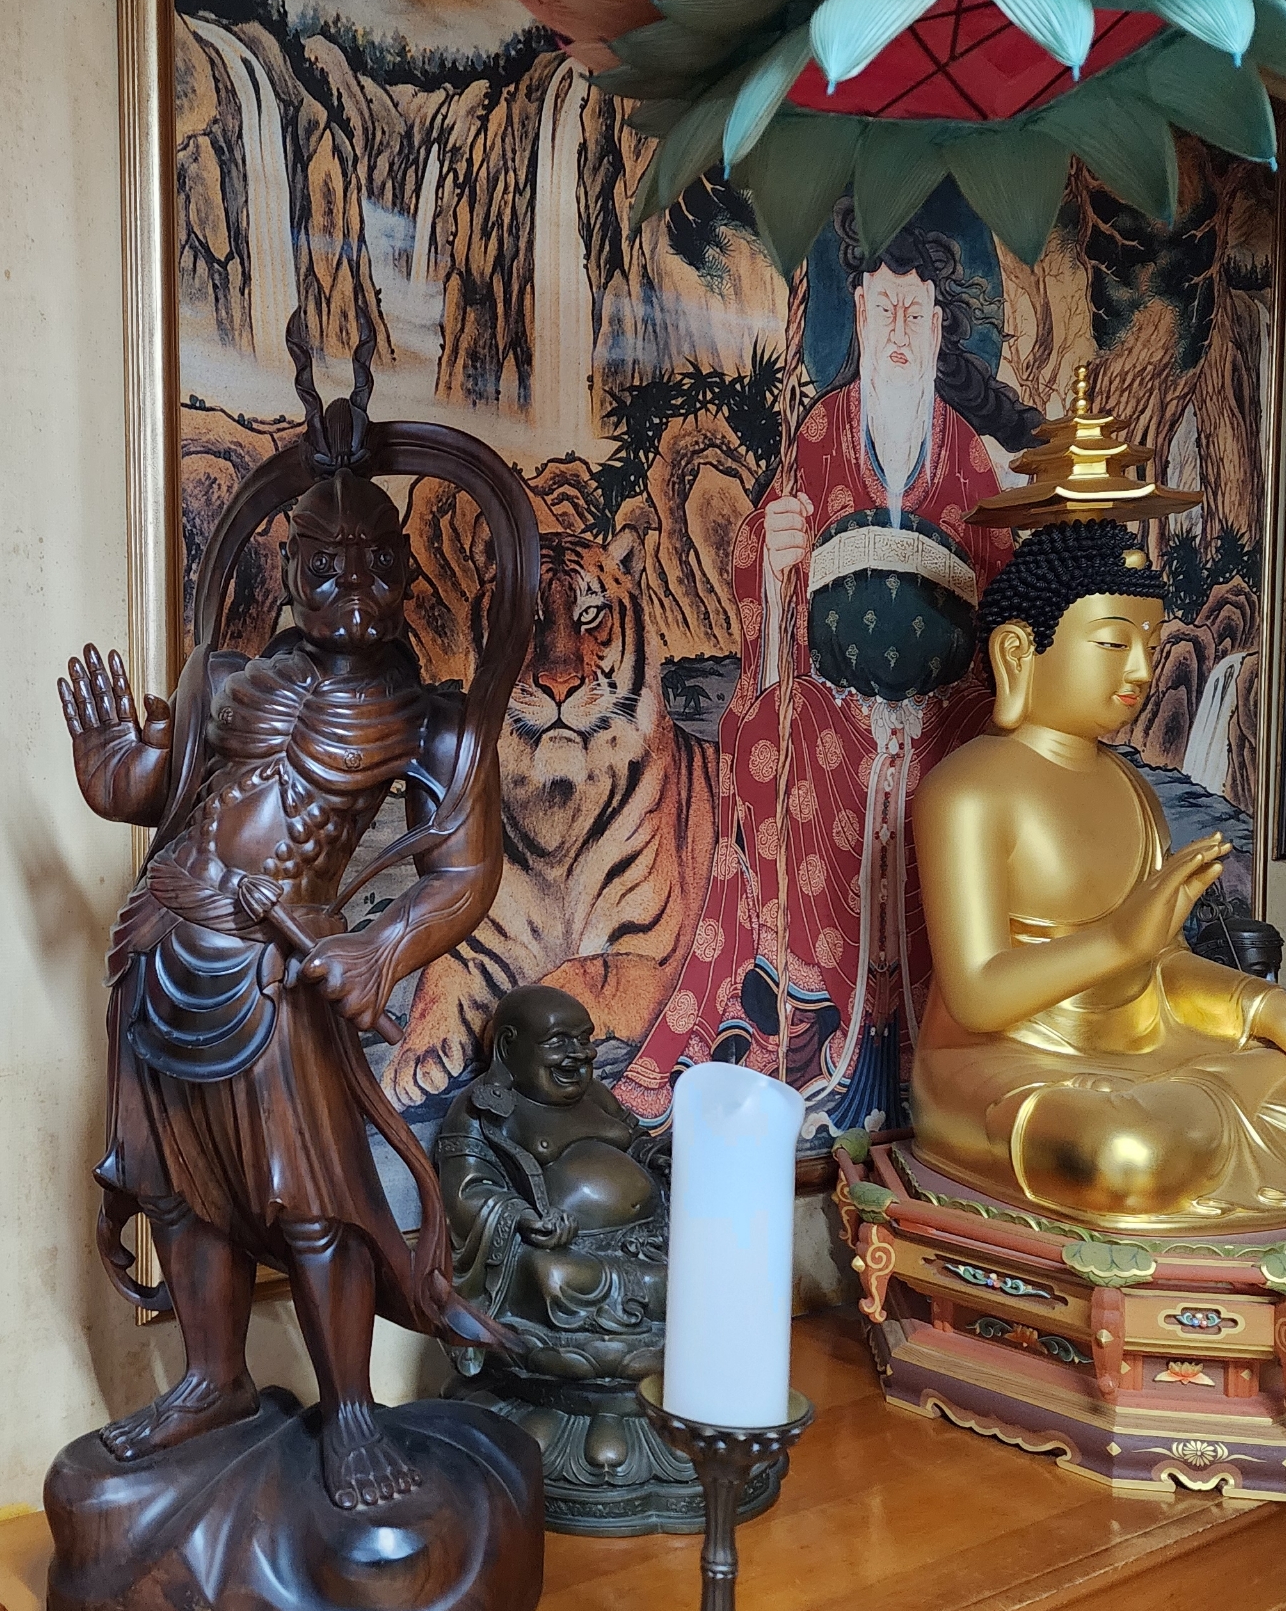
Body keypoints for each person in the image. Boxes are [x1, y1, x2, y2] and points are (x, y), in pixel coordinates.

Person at [59, 457, 508, 1511]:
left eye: (375, 565)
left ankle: (350, 1409)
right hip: (162, 941)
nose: (351, 588)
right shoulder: (228, 680)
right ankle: (212, 1379)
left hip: (274, 972)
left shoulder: (437, 724)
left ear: (407, 572)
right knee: (174, 1181)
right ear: (291, 567)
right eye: (324, 566)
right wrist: (110, 769)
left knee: (313, 1200)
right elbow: (168, 791)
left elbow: (465, 874)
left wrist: (380, 949)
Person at [619, 207, 1033, 1134]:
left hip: (947, 709)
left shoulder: (972, 456)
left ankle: (936, 1033)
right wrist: (774, 559)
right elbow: (762, 574)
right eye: (882, 310)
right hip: (833, 703)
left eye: (915, 314)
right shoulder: (819, 432)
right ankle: (802, 1018)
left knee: (973, 769)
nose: (898, 332)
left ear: (941, 330)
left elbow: (1009, 600)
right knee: (781, 736)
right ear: (858, 319)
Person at [910, 520, 1286, 1225]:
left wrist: (1264, 1006)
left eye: (1150, 645)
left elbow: (1161, 966)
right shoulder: (966, 792)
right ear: (1019, 651)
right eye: (1115, 644)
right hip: (1003, 1063)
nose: (1142, 672)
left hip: (1145, 1052)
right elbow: (976, 998)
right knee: (1123, 1153)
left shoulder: (1133, 789)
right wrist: (1118, 941)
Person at [436, 984, 667, 1339]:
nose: (579, 1054)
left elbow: (635, 1140)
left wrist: (658, 1155)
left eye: (584, 1039)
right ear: (508, 1046)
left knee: (705, 1258)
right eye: (558, 1041)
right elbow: (467, 1193)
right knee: (552, 1276)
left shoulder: (595, 1093)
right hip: (568, 1253)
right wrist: (524, 1218)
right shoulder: (481, 1109)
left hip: (650, 1238)